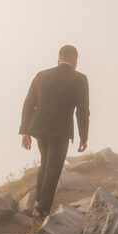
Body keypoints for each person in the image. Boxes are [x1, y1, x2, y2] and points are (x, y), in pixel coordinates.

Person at [19, 44, 89, 217]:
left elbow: (28, 103)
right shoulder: (80, 79)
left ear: (59, 60)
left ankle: (38, 203)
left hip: (39, 127)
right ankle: (42, 209)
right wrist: (83, 136)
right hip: (61, 129)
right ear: (74, 60)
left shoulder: (41, 75)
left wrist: (25, 131)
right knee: (54, 166)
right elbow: (82, 110)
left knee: (45, 163)